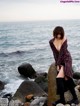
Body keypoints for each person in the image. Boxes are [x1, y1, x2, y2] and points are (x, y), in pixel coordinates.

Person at [49, 26, 79, 105]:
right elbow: (55, 54)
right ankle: (72, 99)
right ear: (54, 33)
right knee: (65, 79)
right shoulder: (51, 42)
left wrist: (59, 64)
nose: (59, 36)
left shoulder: (64, 39)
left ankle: (68, 99)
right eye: (57, 34)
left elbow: (62, 53)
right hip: (60, 60)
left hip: (67, 60)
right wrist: (57, 64)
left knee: (62, 77)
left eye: (60, 34)